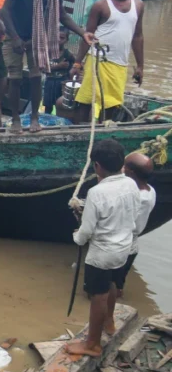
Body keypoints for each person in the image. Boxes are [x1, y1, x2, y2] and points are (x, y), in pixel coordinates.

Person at [0, 0, 97, 133]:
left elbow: (62, 15)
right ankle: (16, 119)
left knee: (36, 78)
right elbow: (5, 11)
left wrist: (83, 34)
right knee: (15, 79)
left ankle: (35, 117)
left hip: (37, 38)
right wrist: (15, 38)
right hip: (14, 36)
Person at [67, 139, 139, 357]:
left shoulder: (96, 192)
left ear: (97, 166)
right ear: (122, 163)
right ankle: (109, 322)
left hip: (102, 254)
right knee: (113, 284)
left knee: (97, 296)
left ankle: (92, 344)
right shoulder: (131, 184)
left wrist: (77, 238)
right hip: (124, 247)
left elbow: (87, 230)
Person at [71, 0, 146, 122]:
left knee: (111, 103)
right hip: (97, 59)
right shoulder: (100, 5)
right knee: (86, 100)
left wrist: (140, 66)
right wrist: (77, 63)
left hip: (120, 63)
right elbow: (88, 36)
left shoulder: (139, 5)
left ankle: (102, 131)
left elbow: (138, 36)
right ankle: (80, 131)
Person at [114, 153, 156, 298]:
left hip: (122, 246)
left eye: (124, 166)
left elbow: (120, 221)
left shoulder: (138, 198)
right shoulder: (150, 190)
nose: (121, 169)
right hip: (131, 246)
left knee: (109, 285)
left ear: (131, 172)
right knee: (118, 281)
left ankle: (113, 307)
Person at [43, 29, 75, 115]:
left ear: (67, 40)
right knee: (48, 107)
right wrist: (58, 66)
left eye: (62, 38)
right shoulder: (47, 52)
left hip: (62, 83)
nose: (58, 40)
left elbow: (77, 66)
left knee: (61, 105)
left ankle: (59, 120)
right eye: (57, 37)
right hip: (49, 82)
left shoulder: (68, 54)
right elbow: (42, 69)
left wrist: (71, 74)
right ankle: (47, 120)